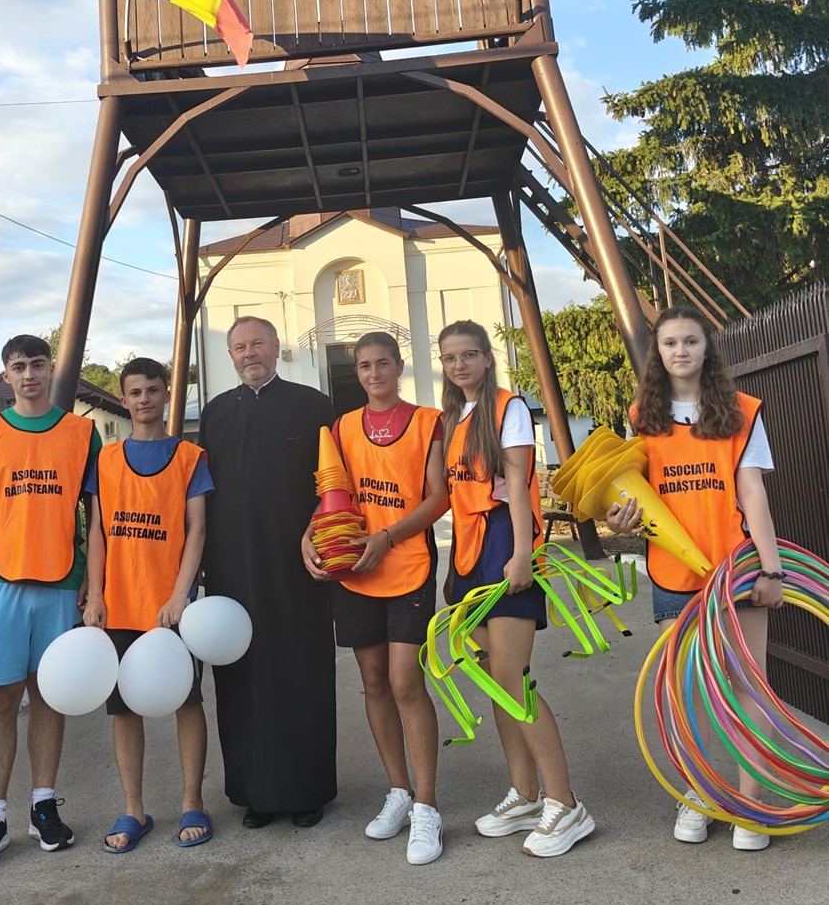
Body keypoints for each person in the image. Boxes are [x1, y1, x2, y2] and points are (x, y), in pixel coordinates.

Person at [606, 305, 785, 851]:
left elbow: (753, 493)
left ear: (707, 348)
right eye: (670, 343)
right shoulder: (640, 418)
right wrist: (617, 521)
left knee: (748, 685)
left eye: (690, 341)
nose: (680, 350)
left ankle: (749, 805)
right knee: (687, 689)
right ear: (657, 353)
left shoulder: (742, 411)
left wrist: (772, 568)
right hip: (675, 573)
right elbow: (628, 499)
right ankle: (698, 795)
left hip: (737, 570)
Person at [0, 334, 101, 871]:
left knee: (50, 696)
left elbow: (97, 515)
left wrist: (94, 580)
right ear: (5, 375)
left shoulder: (82, 433)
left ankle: (43, 807)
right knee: (0, 700)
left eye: (37, 364)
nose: (29, 374)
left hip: (61, 582)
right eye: (18, 366)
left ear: (51, 369)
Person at [439, 319, 594, 857]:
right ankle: (525, 793)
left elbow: (521, 487)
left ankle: (565, 803)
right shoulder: (452, 417)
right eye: (450, 357)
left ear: (487, 358)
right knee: (492, 678)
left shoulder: (509, 409)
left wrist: (523, 552)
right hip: (468, 549)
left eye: (468, 354)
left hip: (505, 541)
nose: (459, 365)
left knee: (513, 676)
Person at [302, 332, 449, 864]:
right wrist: (310, 534)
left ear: (399, 365)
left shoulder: (428, 422)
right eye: (364, 366)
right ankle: (399, 791)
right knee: (374, 683)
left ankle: (428, 806)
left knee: (406, 681)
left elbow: (439, 497)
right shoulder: (343, 427)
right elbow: (332, 493)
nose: (373, 373)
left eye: (382, 363)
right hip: (355, 571)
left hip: (407, 565)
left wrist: (387, 536)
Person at [198, 315, 336, 827]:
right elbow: (200, 496)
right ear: (230, 356)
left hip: (298, 565)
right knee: (242, 676)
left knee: (301, 671)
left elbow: (333, 482)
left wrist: (320, 533)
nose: (249, 353)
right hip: (232, 568)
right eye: (239, 347)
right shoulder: (214, 413)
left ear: (277, 347)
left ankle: (306, 791)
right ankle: (254, 792)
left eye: (258, 343)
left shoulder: (313, 405)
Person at [82, 357, 214, 851]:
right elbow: (97, 532)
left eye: (153, 390)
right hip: (119, 605)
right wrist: (96, 595)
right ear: (124, 400)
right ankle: (133, 809)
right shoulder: (106, 459)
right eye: (135, 393)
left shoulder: (189, 457)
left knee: (187, 701)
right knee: (124, 709)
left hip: (172, 607)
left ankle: (192, 802)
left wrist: (181, 594)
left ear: (166, 394)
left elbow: (197, 530)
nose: (144, 400)